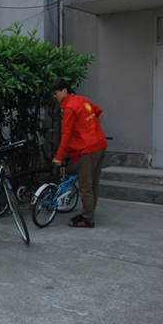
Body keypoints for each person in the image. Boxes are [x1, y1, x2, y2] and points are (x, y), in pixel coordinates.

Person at [50, 79, 108, 228]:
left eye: (56, 93)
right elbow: (100, 112)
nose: (55, 96)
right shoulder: (83, 100)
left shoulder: (70, 107)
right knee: (93, 183)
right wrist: (93, 131)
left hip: (88, 149)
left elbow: (66, 134)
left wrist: (59, 156)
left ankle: (88, 219)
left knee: (85, 185)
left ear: (64, 90)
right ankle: (88, 213)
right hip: (100, 145)